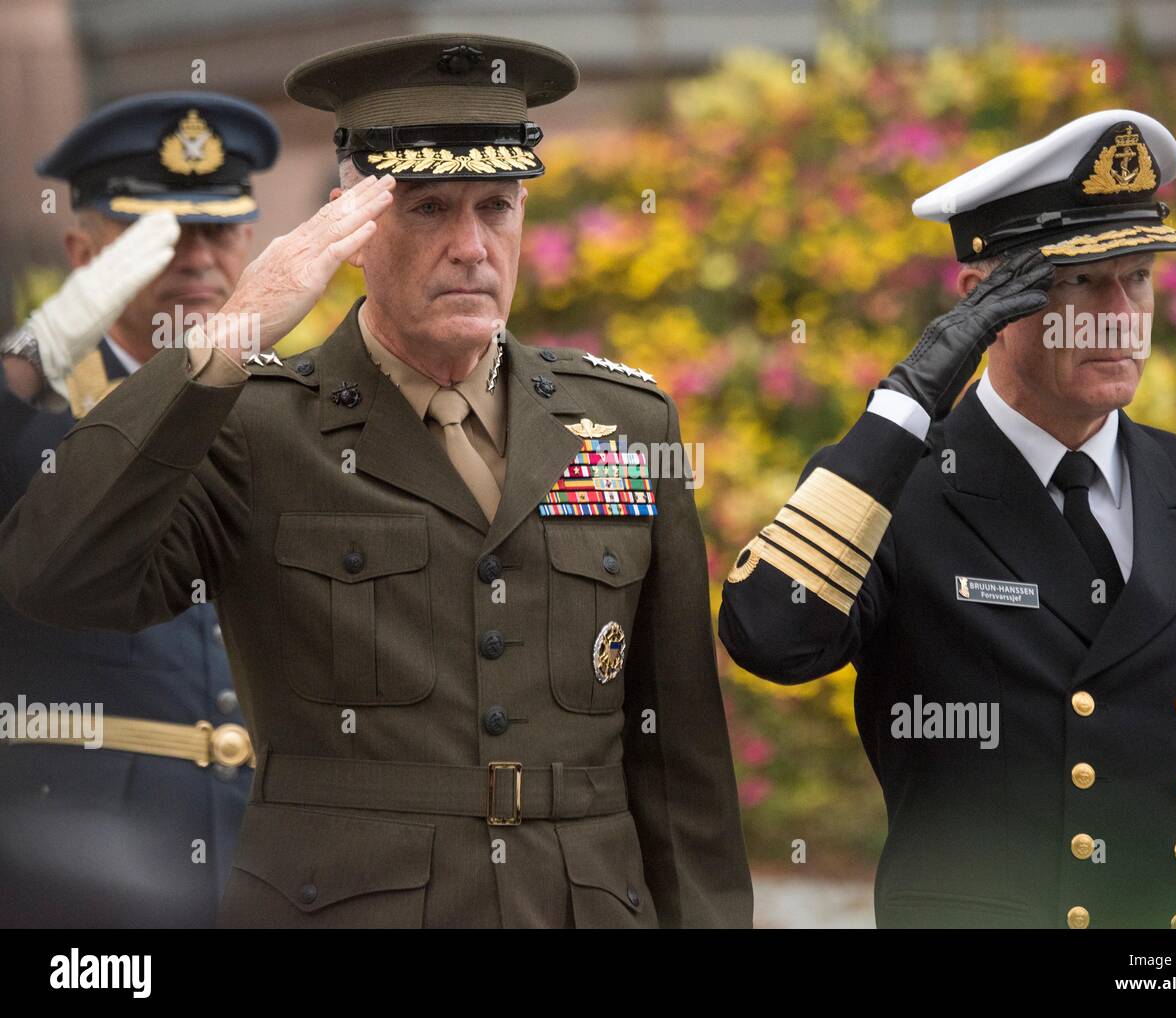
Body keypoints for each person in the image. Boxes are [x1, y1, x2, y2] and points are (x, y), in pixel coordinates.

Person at [0, 34, 752, 929]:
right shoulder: (252, 420)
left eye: (496, 208)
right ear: (350, 228)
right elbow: (55, 573)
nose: (471, 246)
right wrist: (228, 337)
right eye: (428, 209)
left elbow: (680, 763)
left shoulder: (626, 425)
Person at [718, 109, 1176, 929]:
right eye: (1077, 281)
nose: (1117, 313)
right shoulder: (898, 491)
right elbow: (770, 637)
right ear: (982, 304)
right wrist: (913, 393)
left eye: (1137, 278)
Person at [0, 92, 278, 927]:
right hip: (77, 862)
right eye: (157, 236)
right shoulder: (35, 413)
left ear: (251, 245)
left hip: (275, 855)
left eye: (216, 232)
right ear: (84, 251)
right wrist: (36, 350)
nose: (195, 259)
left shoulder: (293, 409)